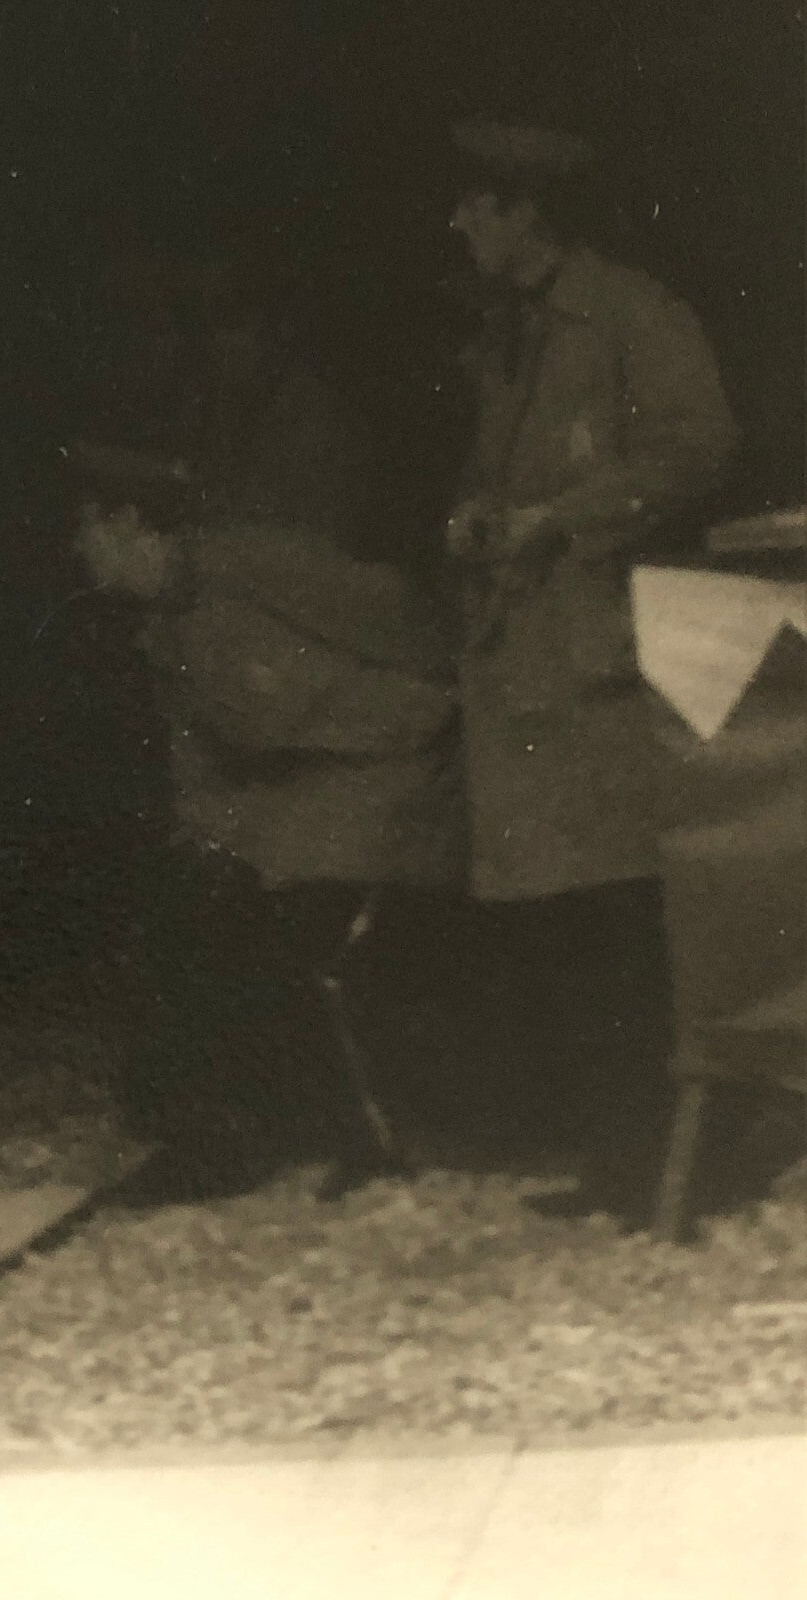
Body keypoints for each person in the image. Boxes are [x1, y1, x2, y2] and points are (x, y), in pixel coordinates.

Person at [74, 249, 461, 1205]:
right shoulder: (162, 626)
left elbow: (405, 627)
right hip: (298, 802)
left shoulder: (257, 563)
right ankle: (214, 1137)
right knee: (194, 909)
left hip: (388, 782)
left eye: (85, 531)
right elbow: (204, 760)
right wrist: (213, 842)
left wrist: (434, 724)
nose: (74, 554)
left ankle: (279, 1134)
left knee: (256, 927)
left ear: (131, 526)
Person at [441, 120, 740, 1220]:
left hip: (603, 656)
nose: (459, 223)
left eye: (478, 204)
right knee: (566, 913)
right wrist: (480, 518)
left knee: (626, 908)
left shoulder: (629, 314)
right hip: (527, 657)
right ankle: (617, 1155)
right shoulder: (507, 332)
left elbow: (696, 445)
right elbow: (501, 466)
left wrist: (558, 520)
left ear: (527, 209)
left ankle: (676, 1161)